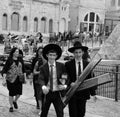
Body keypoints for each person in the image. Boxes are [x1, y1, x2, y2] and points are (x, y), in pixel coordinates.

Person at [65, 41, 97, 117]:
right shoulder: (68, 64)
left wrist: (93, 93)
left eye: (80, 52)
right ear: (73, 53)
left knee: (81, 113)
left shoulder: (87, 64)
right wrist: (70, 83)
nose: (78, 54)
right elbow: (65, 77)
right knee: (73, 114)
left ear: (83, 53)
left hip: (83, 92)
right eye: (76, 52)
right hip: (72, 92)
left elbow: (90, 79)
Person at [38, 43, 67, 117]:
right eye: (50, 55)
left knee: (60, 113)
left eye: (54, 55)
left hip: (57, 93)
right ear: (47, 55)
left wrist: (64, 85)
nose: (52, 57)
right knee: (44, 112)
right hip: (47, 93)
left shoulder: (61, 66)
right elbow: (41, 78)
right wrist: (43, 86)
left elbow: (65, 77)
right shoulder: (43, 67)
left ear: (56, 56)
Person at [1, 47, 27, 112]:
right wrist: (4, 79)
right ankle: (11, 106)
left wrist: (25, 78)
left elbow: (24, 69)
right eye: (16, 52)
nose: (17, 53)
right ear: (13, 53)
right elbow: (4, 70)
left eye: (18, 52)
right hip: (10, 79)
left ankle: (15, 101)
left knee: (19, 93)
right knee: (11, 93)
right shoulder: (9, 60)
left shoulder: (20, 59)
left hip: (19, 79)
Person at [31, 46, 46, 115]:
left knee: (45, 96)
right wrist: (40, 72)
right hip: (38, 80)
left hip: (46, 81)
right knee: (39, 95)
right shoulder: (37, 61)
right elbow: (33, 71)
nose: (41, 54)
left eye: (42, 53)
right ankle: (41, 109)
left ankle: (44, 108)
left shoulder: (48, 61)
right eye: (40, 52)